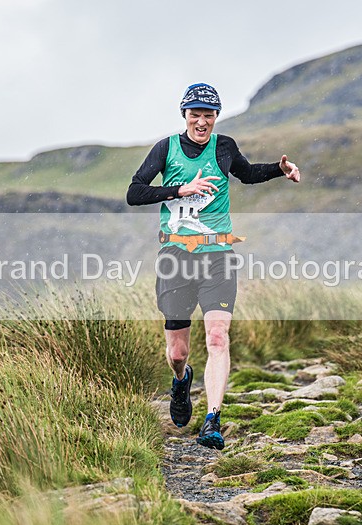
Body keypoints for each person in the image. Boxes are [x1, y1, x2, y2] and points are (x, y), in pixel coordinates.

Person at [126, 83, 301, 449]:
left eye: (209, 115)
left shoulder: (224, 146)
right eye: (195, 115)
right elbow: (135, 192)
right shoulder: (166, 149)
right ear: (185, 116)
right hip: (176, 257)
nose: (202, 122)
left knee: (218, 337)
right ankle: (181, 380)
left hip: (218, 256)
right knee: (177, 352)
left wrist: (278, 170)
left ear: (216, 116)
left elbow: (247, 173)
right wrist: (178, 190)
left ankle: (212, 419)